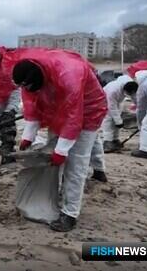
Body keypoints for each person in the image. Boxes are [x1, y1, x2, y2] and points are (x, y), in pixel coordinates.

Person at [13, 49, 107, 232]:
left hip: (88, 111)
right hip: (56, 110)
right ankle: (53, 197)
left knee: (76, 163)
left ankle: (70, 213)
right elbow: (32, 106)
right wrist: (27, 137)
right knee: (52, 161)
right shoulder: (27, 75)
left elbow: (74, 117)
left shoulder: (69, 74)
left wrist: (62, 150)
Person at [101, 75, 138, 153]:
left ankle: (115, 139)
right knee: (109, 120)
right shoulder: (113, 90)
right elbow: (111, 107)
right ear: (124, 89)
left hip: (118, 101)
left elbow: (135, 98)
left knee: (117, 120)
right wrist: (118, 121)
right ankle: (107, 141)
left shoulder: (131, 85)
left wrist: (140, 109)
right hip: (105, 100)